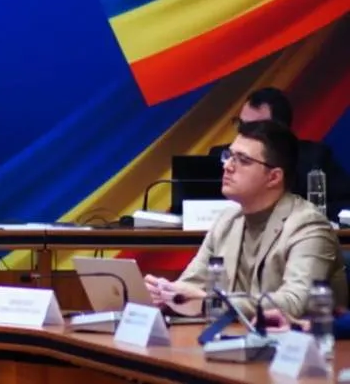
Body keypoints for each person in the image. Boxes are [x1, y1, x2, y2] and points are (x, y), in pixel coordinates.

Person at [145, 119, 347, 318]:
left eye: (242, 160)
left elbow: (294, 302)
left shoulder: (309, 226)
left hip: (295, 338)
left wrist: (214, 303)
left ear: (274, 177)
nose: (227, 166)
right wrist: (165, 293)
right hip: (234, 334)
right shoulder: (227, 220)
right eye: (229, 156)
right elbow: (192, 283)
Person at [207, 87, 349, 221]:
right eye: (241, 124)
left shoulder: (314, 159)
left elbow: (344, 204)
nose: (244, 133)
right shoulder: (220, 156)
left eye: (254, 128)